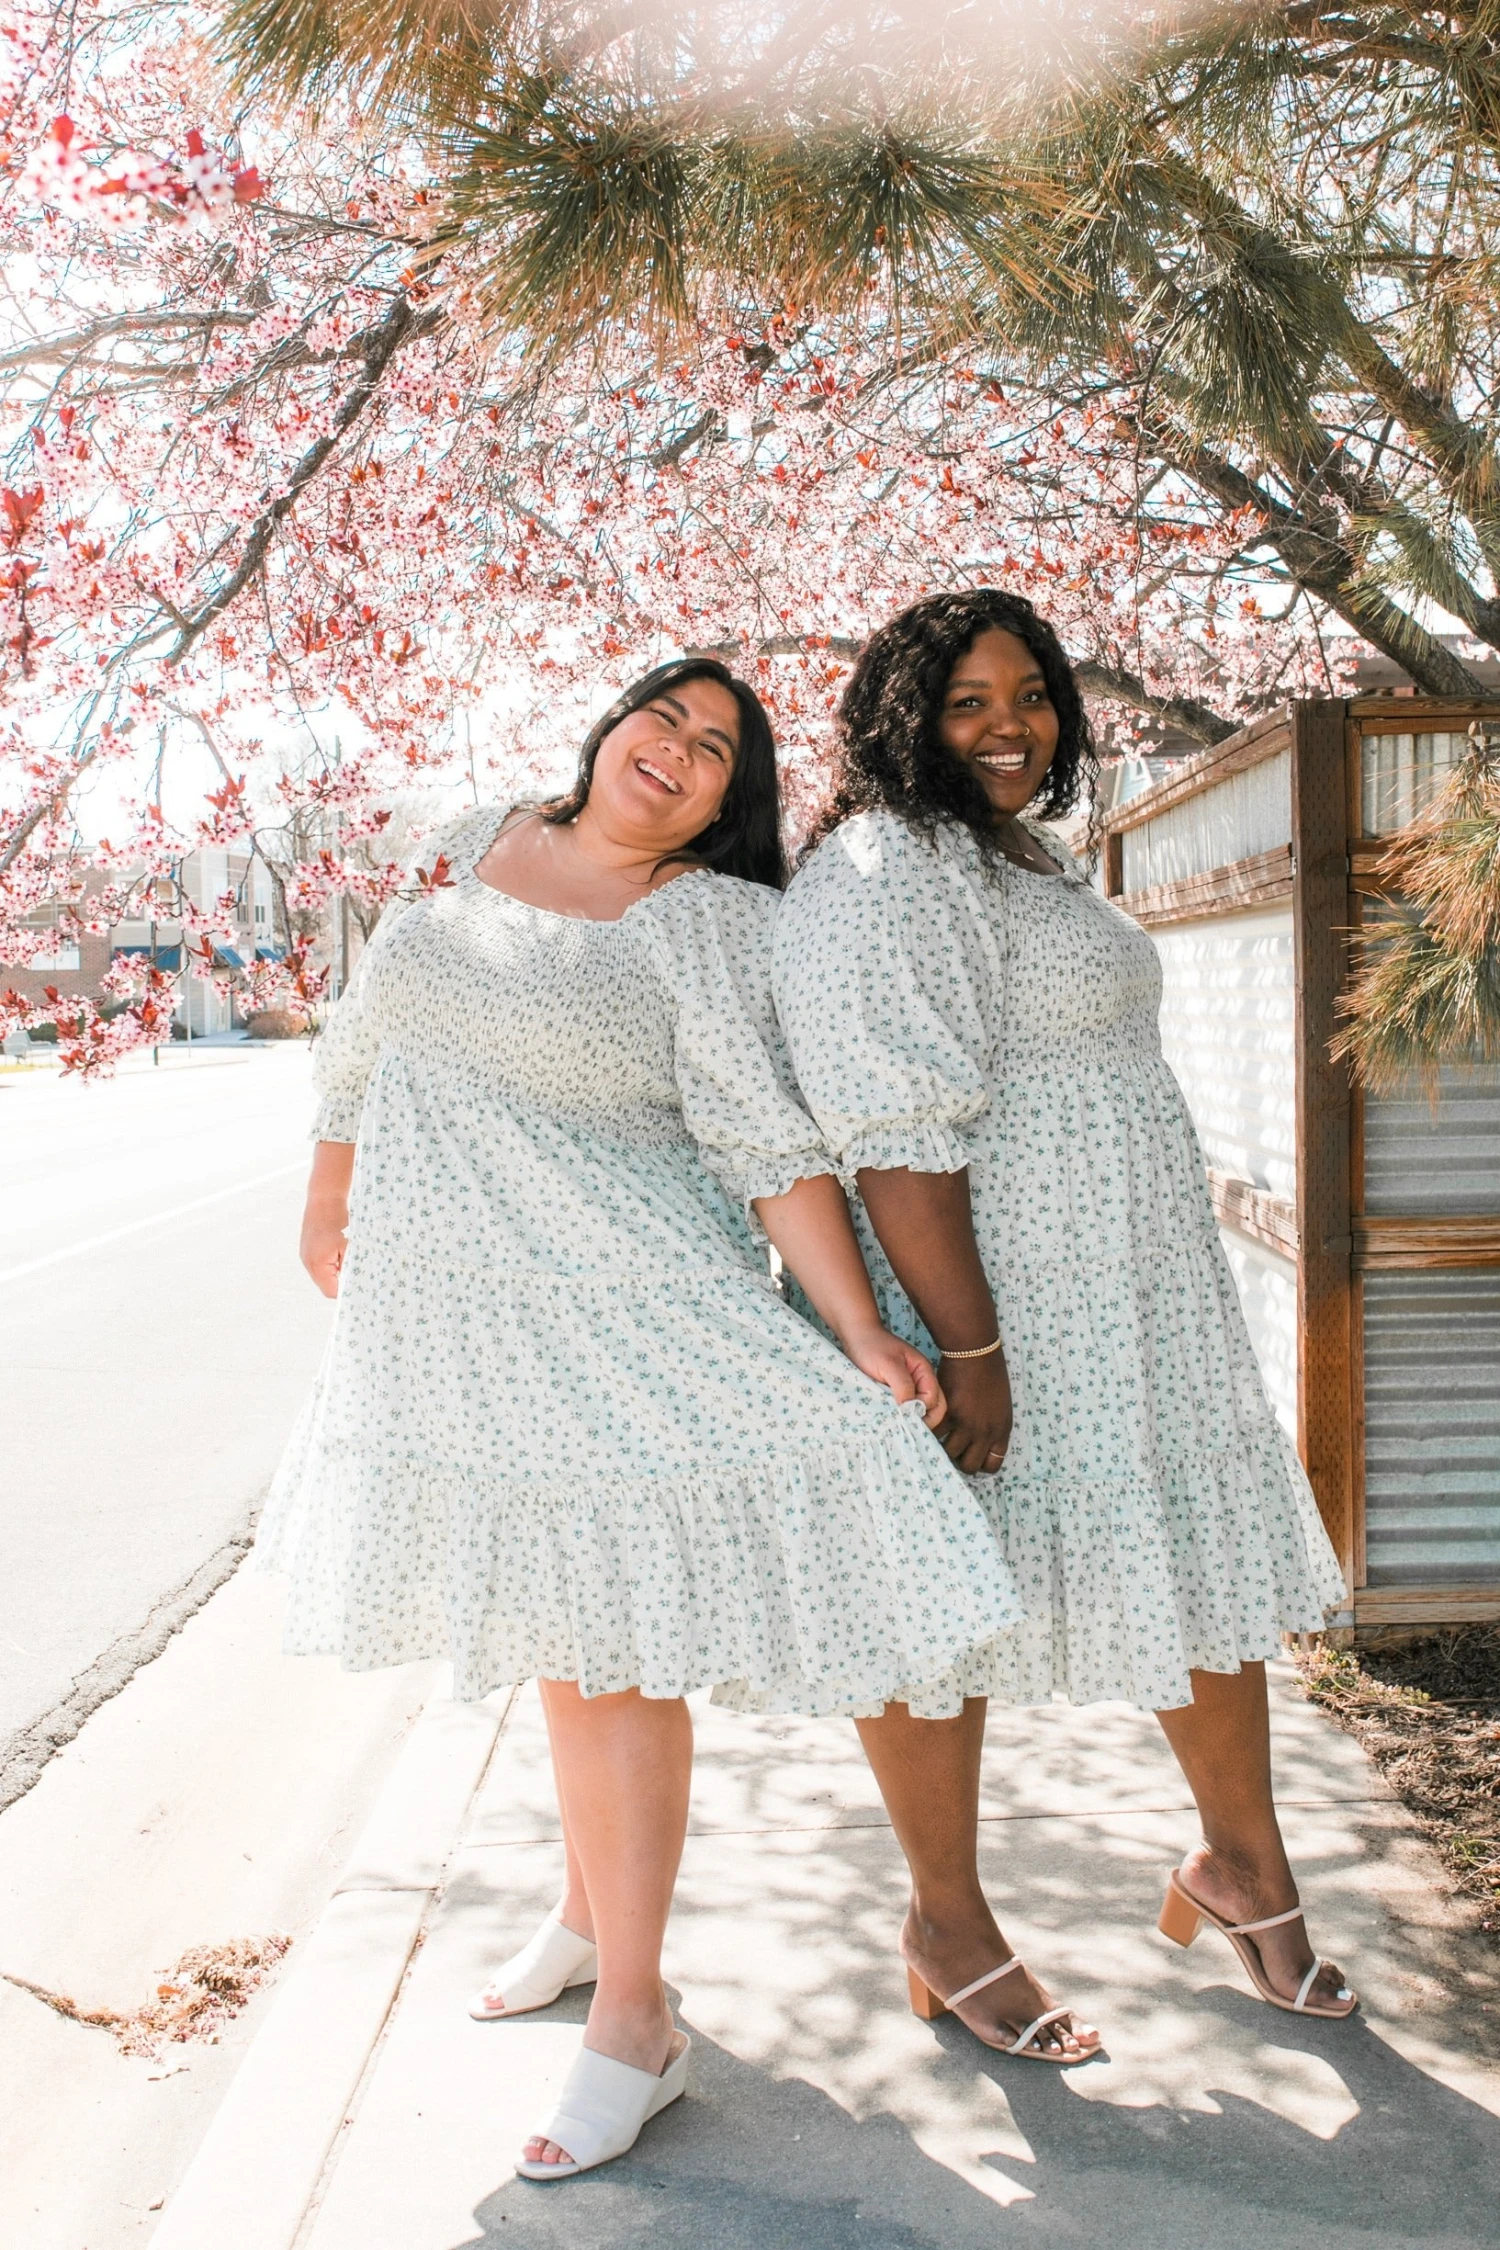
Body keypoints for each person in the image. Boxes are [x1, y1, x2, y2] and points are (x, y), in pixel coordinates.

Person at [257, 657, 1023, 2181]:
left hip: (623, 1311)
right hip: (461, 1308)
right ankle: (586, 1914)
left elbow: (763, 1138)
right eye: (661, 719)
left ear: (727, 803)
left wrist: (863, 1325)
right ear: (611, 728)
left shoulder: (704, 923)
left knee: (608, 1647)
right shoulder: (478, 832)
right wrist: (330, 1178)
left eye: (715, 751)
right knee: (563, 1623)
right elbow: (368, 1023)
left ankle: (636, 2014)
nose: (674, 752)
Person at [772, 589, 1356, 2055]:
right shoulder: (885, 865)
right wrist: (970, 1349)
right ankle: (948, 1927)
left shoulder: (1019, 856)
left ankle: (1246, 1870)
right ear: (902, 716)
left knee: (1196, 1570)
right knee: (940, 1607)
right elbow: (896, 1135)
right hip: (987, 1302)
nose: (1009, 724)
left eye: (1028, 693)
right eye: (966, 700)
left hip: (1125, 1292)